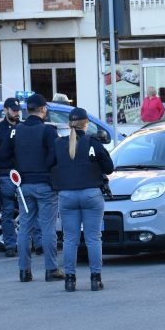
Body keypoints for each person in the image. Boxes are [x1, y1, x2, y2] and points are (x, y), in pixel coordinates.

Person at [51, 108, 114, 292]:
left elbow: (50, 165)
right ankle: (96, 279)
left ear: (69, 124)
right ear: (86, 123)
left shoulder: (59, 144)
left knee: (70, 239)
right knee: (93, 238)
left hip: (66, 195)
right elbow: (108, 168)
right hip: (91, 194)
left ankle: (70, 280)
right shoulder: (93, 143)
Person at [7, 94, 63, 283]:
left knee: (24, 227)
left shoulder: (17, 130)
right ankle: (51, 269)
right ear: (43, 109)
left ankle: (24, 271)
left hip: (23, 185)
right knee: (48, 228)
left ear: (27, 110)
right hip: (45, 184)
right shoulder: (48, 131)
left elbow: (7, 155)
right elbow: (55, 156)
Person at [0, 98, 24, 257]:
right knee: (7, 212)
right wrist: (2, 168)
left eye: (18, 110)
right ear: (6, 109)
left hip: (24, 174)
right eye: (13, 110)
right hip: (6, 174)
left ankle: (34, 243)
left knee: (28, 210)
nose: (16, 112)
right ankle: (10, 246)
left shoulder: (23, 128)